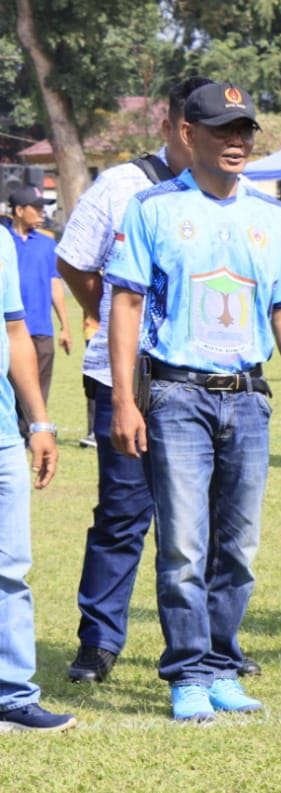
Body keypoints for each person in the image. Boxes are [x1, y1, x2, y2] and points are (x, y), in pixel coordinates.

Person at [105, 82, 281, 721]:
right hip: (175, 394)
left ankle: (224, 664)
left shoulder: (271, 218)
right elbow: (124, 304)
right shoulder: (150, 210)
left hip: (250, 398)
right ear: (187, 134)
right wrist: (125, 399)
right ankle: (187, 674)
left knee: (240, 546)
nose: (237, 141)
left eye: (245, 130)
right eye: (223, 129)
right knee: (182, 543)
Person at [55, 75, 221, 685]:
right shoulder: (121, 185)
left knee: (204, 518)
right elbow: (73, 260)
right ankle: (98, 642)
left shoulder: (228, 190)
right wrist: (109, 316)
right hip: (125, 378)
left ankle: (208, 647)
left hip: (204, 376)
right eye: (196, 125)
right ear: (174, 127)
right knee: (125, 514)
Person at [0, 188, 69, 732]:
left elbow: (15, 331)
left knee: (10, 571)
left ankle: (13, 697)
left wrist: (39, 421)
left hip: (3, 435)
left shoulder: (2, 242)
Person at [4, 186, 69, 416]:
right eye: (37, 208)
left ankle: (33, 431)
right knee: (9, 388)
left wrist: (65, 327)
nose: (42, 213)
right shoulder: (4, 242)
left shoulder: (47, 244)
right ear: (19, 210)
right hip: (8, 326)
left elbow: (55, 285)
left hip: (41, 328)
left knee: (39, 389)